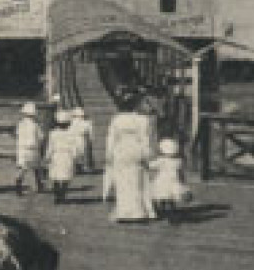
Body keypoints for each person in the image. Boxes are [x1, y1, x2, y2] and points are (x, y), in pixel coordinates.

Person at [103, 95, 158, 223]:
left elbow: (111, 138)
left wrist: (109, 154)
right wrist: (147, 154)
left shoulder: (116, 120)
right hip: (136, 149)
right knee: (138, 181)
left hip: (121, 150)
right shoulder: (143, 120)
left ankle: (124, 211)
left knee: (122, 182)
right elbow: (145, 138)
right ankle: (138, 211)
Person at [147, 137, 192, 224]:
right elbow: (181, 172)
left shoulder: (162, 160)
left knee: (162, 197)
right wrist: (183, 183)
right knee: (171, 200)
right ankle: (172, 215)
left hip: (162, 182)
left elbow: (151, 166)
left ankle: (161, 212)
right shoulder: (178, 161)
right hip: (174, 182)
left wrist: (145, 163)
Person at [45, 110, 80, 204]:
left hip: (56, 155)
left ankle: (57, 195)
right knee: (65, 177)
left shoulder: (53, 133)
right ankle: (62, 195)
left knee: (56, 176)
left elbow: (50, 146)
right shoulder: (72, 133)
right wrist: (75, 156)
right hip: (67, 156)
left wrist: (48, 156)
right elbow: (75, 146)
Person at [12, 101, 46, 195]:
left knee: (22, 167)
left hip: (22, 148)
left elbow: (17, 134)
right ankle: (39, 185)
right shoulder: (35, 125)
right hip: (33, 148)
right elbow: (41, 137)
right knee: (37, 168)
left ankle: (18, 185)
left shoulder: (20, 124)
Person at [72, 107, 96, 173]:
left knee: (75, 154)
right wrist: (91, 140)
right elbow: (90, 133)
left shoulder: (71, 123)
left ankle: (76, 167)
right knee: (84, 153)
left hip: (74, 139)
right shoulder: (87, 123)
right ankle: (85, 167)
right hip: (83, 139)